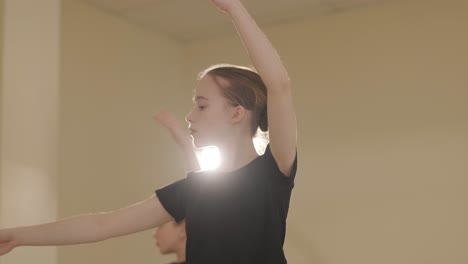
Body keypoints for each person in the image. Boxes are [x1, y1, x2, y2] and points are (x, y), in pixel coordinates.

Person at [0, 0, 298, 263]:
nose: (190, 115)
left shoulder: (272, 173)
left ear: (237, 113)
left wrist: (234, 8)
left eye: (202, 106)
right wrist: (16, 236)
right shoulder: (194, 190)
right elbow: (101, 225)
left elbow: (279, 85)